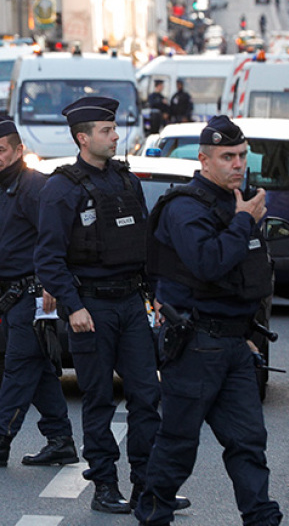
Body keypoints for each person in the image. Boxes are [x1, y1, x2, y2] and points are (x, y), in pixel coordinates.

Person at [36, 96, 187, 514]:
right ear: (83, 138)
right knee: (99, 399)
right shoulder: (61, 188)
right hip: (91, 309)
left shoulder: (126, 180)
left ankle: (148, 484)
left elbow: (146, 244)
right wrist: (73, 306)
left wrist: (155, 292)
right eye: (107, 131)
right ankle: (104, 484)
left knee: (146, 393)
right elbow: (48, 258)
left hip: (130, 303)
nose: (116, 136)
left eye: (114, 128)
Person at [135, 115, 282, 526]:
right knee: (179, 441)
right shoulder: (186, 208)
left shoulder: (237, 204)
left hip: (234, 344)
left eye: (241, 156)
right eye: (227, 157)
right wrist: (243, 222)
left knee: (248, 441)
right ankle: (154, 510)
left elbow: (250, 276)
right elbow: (209, 262)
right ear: (204, 160)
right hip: (195, 344)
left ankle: (262, 517)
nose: (237, 164)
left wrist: (249, 333)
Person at [0, 116, 77, 468]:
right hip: (9, 295)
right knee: (36, 370)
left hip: (35, 295)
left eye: (1, 151)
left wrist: (50, 283)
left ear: (19, 150)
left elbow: (55, 241)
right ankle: (61, 440)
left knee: (19, 365)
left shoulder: (35, 187)